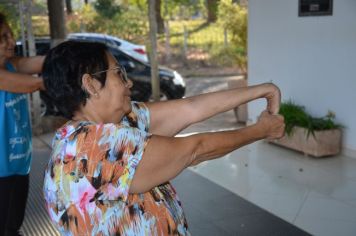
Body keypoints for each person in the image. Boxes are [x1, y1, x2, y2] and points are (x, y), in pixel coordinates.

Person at [42, 40, 285, 236]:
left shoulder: (116, 121)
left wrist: (262, 90)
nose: (129, 81)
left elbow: (190, 108)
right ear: (91, 84)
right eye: (118, 72)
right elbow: (195, 149)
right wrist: (261, 130)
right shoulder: (91, 146)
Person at [0, 12, 45, 236]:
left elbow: (35, 63)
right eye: (3, 37)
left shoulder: (11, 64)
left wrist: (71, 56)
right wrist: (61, 77)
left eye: (11, 35)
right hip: (0, 169)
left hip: (19, 163)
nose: (11, 41)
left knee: (13, 226)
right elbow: (34, 84)